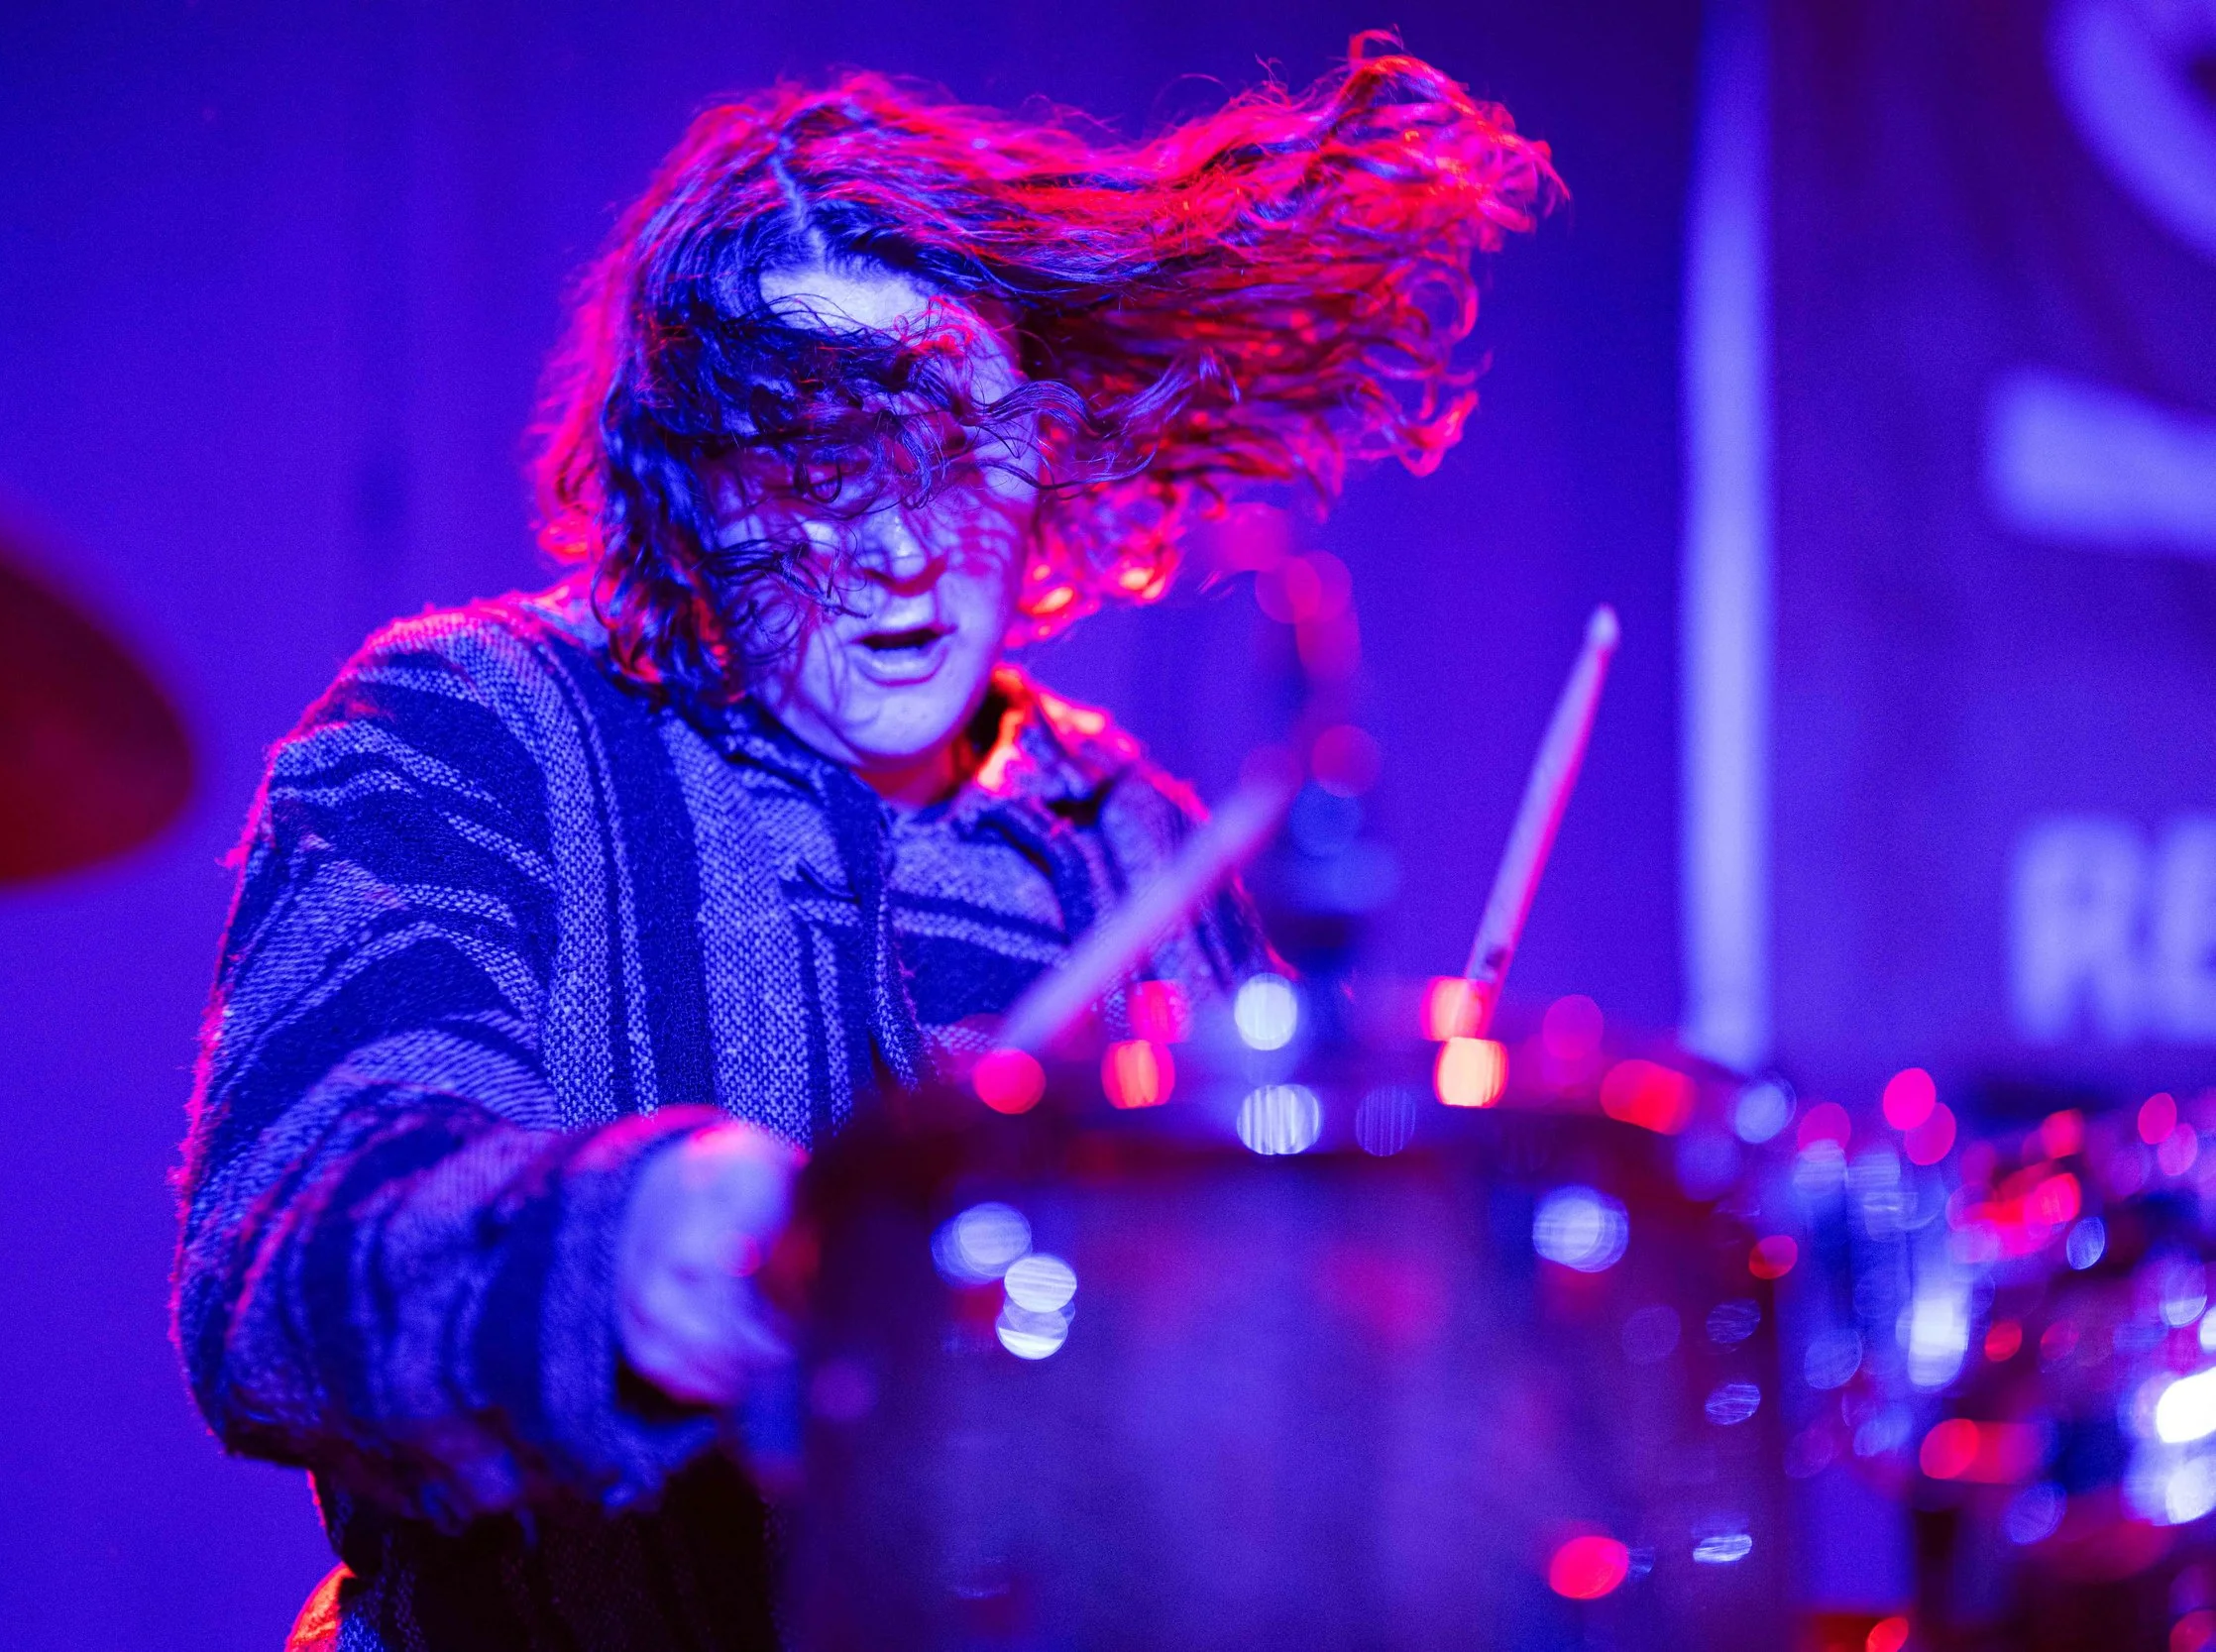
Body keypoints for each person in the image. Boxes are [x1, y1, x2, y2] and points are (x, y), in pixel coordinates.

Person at [173, 34, 1552, 1651]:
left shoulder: (1134, 847)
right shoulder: (481, 728)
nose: (900, 546)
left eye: (960, 447)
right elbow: (286, 1248)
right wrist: (631, 1248)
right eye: (821, 469)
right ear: (690, 489)